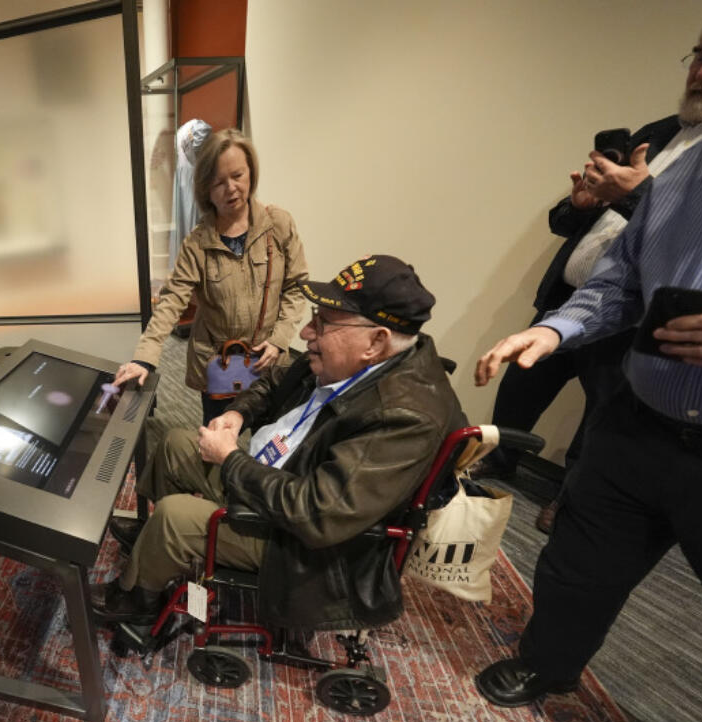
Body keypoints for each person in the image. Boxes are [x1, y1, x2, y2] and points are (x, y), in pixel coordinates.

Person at [472, 93, 702, 708]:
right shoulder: (684, 172)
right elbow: (619, 280)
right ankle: (547, 666)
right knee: (579, 564)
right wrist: (554, 329)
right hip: (638, 424)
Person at [94, 256, 464, 629]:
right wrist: (239, 415)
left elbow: (319, 516)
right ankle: (154, 552)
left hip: (307, 544)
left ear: (376, 340)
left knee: (174, 518)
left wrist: (232, 461)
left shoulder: (403, 417)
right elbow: (274, 380)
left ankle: (137, 600)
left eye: (324, 323)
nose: (306, 332)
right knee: (176, 445)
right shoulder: (357, 363)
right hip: (278, 483)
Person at [478, 8, 702, 533]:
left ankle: (571, 501)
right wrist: (586, 202)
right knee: (518, 390)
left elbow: (677, 242)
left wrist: (637, 198)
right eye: (701, 54)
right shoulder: (662, 133)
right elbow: (565, 221)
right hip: (571, 298)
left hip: (634, 324)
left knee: (603, 418)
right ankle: (491, 464)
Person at [112, 129, 310, 427]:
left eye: (238, 175)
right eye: (219, 182)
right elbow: (171, 302)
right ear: (205, 188)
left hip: (268, 362)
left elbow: (296, 286)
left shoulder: (278, 225)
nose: (231, 188)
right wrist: (144, 358)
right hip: (220, 365)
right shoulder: (197, 243)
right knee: (216, 442)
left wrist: (280, 340)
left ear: (251, 173)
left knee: (266, 441)